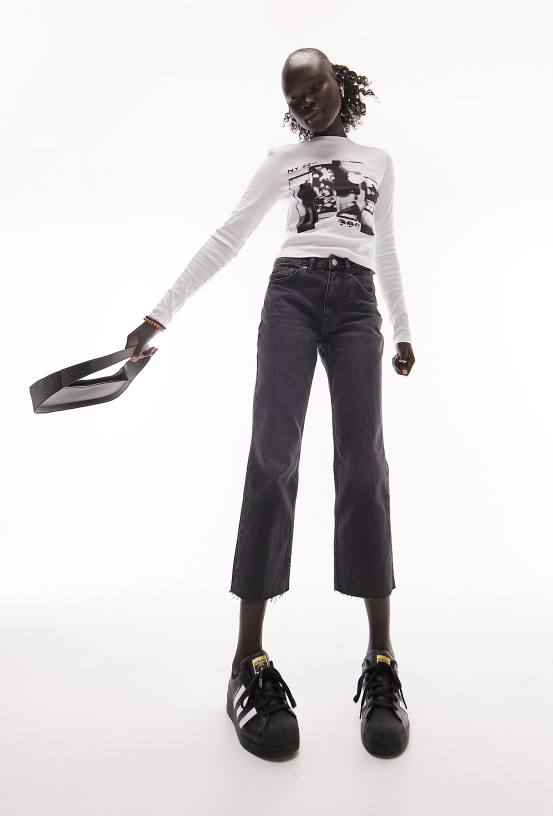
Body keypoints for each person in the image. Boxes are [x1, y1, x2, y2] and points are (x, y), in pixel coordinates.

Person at [126, 48, 415, 760]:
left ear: (339, 83)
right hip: (290, 296)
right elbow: (229, 236)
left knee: (364, 467)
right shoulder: (280, 162)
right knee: (272, 461)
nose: (307, 102)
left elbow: (384, 247)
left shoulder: (378, 161)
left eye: (314, 87)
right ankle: (246, 662)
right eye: (295, 97)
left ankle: (381, 661)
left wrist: (404, 328)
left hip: (356, 308)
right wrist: (159, 313)